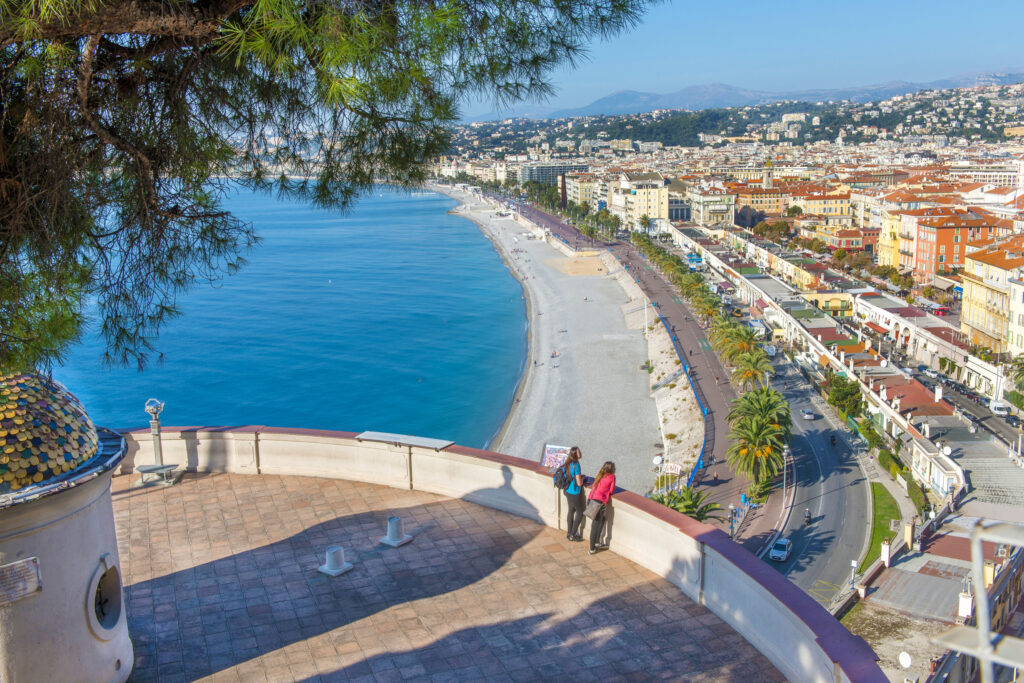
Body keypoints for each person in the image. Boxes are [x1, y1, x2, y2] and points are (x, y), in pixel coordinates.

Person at [587, 461, 616, 554]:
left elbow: (594, 487)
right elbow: (611, 490)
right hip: (600, 502)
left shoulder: (600, 475)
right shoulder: (612, 477)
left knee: (600, 521)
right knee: (596, 524)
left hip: (592, 499)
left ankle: (596, 543)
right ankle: (592, 548)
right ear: (612, 469)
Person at [563, 447, 585, 542]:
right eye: (578, 452)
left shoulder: (567, 464)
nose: (580, 452)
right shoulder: (576, 465)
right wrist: (582, 480)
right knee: (580, 512)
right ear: (575, 455)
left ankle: (569, 533)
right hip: (574, 492)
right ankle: (572, 534)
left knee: (571, 511)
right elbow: (579, 483)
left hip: (567, 491)